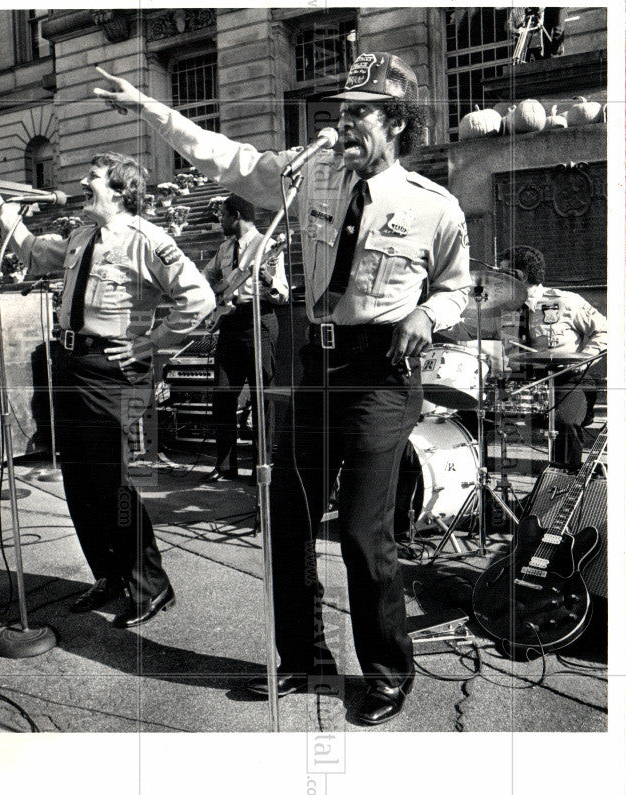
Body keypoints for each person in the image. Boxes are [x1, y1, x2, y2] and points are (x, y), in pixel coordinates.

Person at [95, 52, 472, 722]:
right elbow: (225, 158)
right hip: (315, 367)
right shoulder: (309, 172)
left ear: (397, 122)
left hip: (381, 376)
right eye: (341, 109)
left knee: (361, 531)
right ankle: (302, 656)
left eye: (360, 112)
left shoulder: (432, 207)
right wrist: (149, 109)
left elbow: (454, 287)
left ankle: (387, 668)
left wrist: (427, 313)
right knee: (288, 520)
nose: (343, 122)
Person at [0, 153, 214, 628]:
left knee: (118, 482)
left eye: (94, 179)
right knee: (80, 480)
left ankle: (150, 584)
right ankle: (108, 574)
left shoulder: (147, 240)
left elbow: (199, 298)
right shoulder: (82, 235)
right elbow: (33, 250)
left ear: (121, 191)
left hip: (116, 372)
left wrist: (153, 343)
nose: (82, 182)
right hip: (72, 364)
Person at [455, 246, 607, 470]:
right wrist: (429, 318)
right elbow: (465, 330)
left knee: (564, 423)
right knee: (471, 416)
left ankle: (562, 490)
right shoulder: (499, 308)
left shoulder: (566, 302)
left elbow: (606, 330)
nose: (497, 278)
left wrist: (584, 358)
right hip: (521, 384)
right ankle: (476, 487)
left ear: (520, 276)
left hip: (567, 380)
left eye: (503, 272)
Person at [201, 194, 288, 482]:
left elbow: (283, 293)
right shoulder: (225, 248)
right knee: (223, 395)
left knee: (262, 398)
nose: (221, 221)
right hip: (230, 322)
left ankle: (261, 468)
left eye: (223, 215)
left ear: (236, 215)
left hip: (258, 321)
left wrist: (265, 278)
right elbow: (205, 278)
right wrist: (215, 292)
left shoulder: (268, 246)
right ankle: (225, 466)